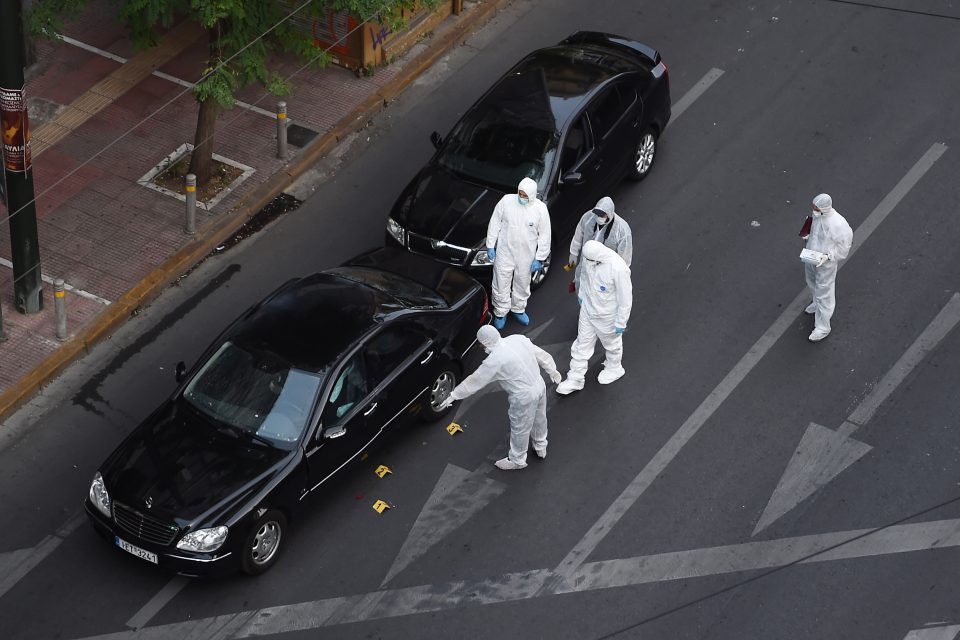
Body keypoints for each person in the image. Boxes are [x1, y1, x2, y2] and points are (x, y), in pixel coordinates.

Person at [438, 325, 561, 470]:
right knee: (540, 417)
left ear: (485, 342)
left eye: (481, 344)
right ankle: (540, 445)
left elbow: (475, 380)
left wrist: (454, 395)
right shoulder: (518, 339)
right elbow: (541, 355)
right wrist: (553, 370)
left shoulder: (495, 360)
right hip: (539, 383)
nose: (482, 348)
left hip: (523, 396)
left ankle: (518, 460)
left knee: (520, 427)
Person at [557, 240, 632, 394]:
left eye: (590, 260)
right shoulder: (589, 260)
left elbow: (626, 298)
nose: (587, 262)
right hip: (588, 311)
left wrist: (621, 321)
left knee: (612, 344)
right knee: (581, 344)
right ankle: (575, 378)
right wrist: (582, 295)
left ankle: (614, 367)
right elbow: (584, 278)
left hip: (607, 316)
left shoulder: (618, 268)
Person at [486, 177, 551, 329]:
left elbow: (545, 235)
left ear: (532, 195)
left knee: (522, 282)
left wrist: (540, 258)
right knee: (501, 281)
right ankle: (501, 311)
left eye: (525, 195)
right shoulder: (507, 201)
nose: (522, 197)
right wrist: (490, 245)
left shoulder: (540, 209)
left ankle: (518, 309)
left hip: (526, 255)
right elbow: (495, 221)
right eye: (520, 194)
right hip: (505, 251)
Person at [804, 193, 853, 342]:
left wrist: (828, 256)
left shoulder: (838, 224)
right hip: (812, 256)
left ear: (823, 208)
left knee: (824, 293)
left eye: (815, 208)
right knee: (812, 282)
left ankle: (823, 327)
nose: (813, 210)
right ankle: (816, 304)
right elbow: (816, 233)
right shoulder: (819, 217)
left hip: (826, 263)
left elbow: (844, 247)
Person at [566, 196, 632, 292]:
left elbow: (624, 259)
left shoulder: (622, 230)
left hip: (604, 275)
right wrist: (573, 253)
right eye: (597, 213)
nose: (599, 217)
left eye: (602, 215)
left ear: (609, 214)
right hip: (585, 266)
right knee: (582, 293)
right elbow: (578, 235)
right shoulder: (588, 218)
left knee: (598, 300)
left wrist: (619, 279)